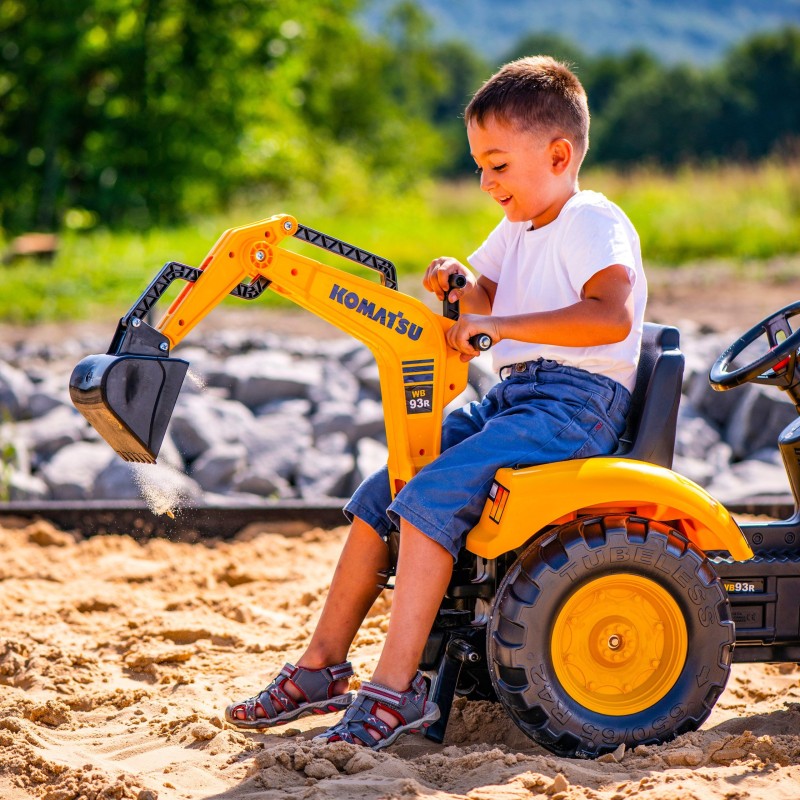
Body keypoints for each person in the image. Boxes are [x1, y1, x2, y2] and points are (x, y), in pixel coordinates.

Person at [224, 55, 647, 750]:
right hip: (518, 400)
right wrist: (458, 282)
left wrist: (501, 326)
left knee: (433, 494)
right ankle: (320, 667)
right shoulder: (520, 229)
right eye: (480, 166)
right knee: (385, 489)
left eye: (498, 165)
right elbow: (481, 300)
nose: (486, 182)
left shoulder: (590, 220)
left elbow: (609, 317)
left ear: (559, 153)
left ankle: (397, 692)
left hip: (575, 406)